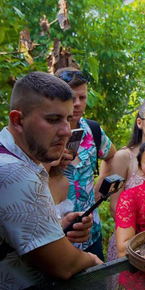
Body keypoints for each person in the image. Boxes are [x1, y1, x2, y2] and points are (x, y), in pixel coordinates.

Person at [0, 72, 102, 290]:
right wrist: (93, 260)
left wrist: (58, 227)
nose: (66, 131)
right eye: (52, 120)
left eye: (68, 119)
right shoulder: (12, 173)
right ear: (18, 120)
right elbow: (64, 265)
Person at [55, 67, 117, 261]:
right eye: (71, 98)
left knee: (95, 289)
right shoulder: (45, 133)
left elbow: (113, 155)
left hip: (91, 232)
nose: (77, 104)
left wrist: (99, 187)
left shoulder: (92, 130)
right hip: (56, 235)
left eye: (82, 97)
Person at [102, 97, 145, 261]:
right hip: (130, 242)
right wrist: (144, 238)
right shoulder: (124, 157)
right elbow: (115, 207)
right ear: (140, 122)